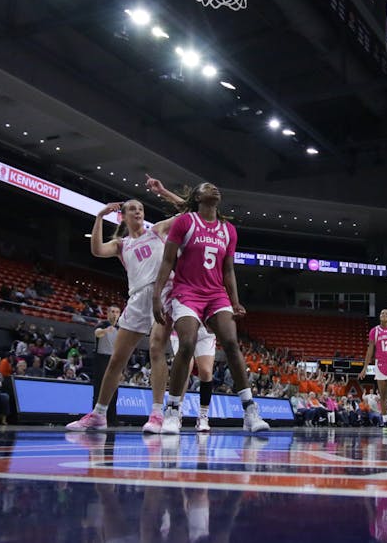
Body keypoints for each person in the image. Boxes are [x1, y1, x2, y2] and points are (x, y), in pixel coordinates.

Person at [151, 181, 269, 434]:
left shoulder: (228, 230)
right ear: (197, 197)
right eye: (208, 187)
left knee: (231, 342)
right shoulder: (185, 222)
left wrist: (235, 301)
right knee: (187, 344)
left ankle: (249, 410)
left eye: (217, 187)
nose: (215, 189)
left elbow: (228, 270)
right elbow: (167, 260)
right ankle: (173, 411)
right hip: (187, 291)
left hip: (216, 294)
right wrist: (156, 295)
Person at [67, 177, 179, 434]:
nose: (138, 211)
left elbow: (187, 213)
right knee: (116, 359)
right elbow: (96, 250)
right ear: (123, 217)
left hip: (163, 293)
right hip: (137, 298)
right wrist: (98, 217)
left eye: (140, 208)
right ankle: (98, 414)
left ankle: (157, 414)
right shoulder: (122, 244)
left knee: (156, 351)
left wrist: (163, 191)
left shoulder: (158, 230)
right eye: (132, 209)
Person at [360, 309, 387, 431]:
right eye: (382, 314)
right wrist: (365, 367)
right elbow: (370, 350)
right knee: (383, 394)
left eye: (386, 313)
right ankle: (385, 419)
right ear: (380, 317)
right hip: (380, 363)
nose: (384, 315)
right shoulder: (374, 331)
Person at [92, 305, 120, 423]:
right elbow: (97, 333)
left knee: (114, 391)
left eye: (117, 312)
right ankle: (95, 418)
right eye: (112, 312)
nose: (115, 314)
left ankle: (112, 419)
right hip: (102, 360)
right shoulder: (102, 324)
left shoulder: (121, 328)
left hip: (115, 360)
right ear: (108, 313)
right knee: (99, 390)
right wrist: (105, 331)